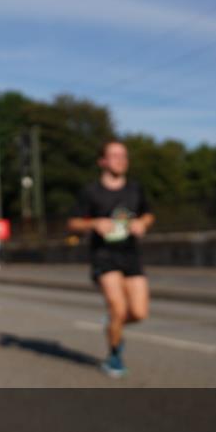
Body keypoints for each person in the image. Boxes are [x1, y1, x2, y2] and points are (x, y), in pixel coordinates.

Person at [67, 140, 154, 378]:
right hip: (103, 256)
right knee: (118, 307)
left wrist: (142, 223)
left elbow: (148, 214)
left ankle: (113, 325)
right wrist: (93, 223)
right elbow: (72, 223)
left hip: (131, 254)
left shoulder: (135, 189)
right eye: (114, 156)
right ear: (102, 161)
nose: (121, 160)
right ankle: (114, 355)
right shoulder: (91, 192)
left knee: (138, 313)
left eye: (124, 156)